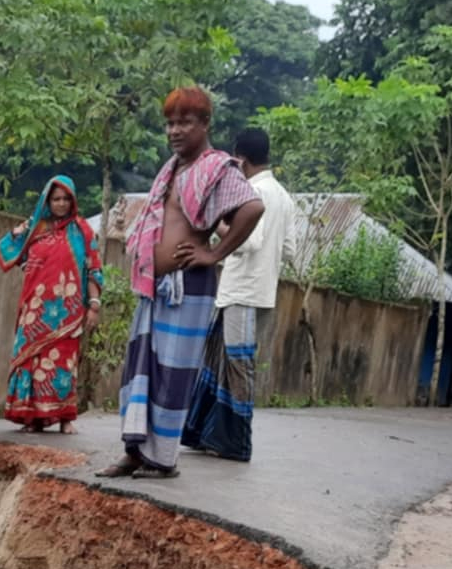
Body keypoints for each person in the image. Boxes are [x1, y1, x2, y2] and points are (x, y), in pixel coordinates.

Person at [98, 86, 264, 478]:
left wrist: (214, 253)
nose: (175, 131)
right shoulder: (171, 170)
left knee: (173, 373)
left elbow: (253, 208)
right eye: (170, 123)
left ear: (205, 124)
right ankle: (134, 451)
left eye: (185, 122)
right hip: (154, 287)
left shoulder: (217, 167)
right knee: (141, 368)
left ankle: (163, 458)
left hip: (187, 286)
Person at [185, 127, 300, 462]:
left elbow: (248, 242)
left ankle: (236, 442)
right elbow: (290, 250)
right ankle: (211, 435)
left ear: (241, 158)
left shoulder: (249, 193)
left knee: (237, 366)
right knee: (225, 362)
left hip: (241, 293)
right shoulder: (284, 196)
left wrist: (220, 225)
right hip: (263, 293)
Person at [0, 175, 104, 434]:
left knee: (63, 363)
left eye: (66, 199)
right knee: (30, 361)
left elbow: (94, 269)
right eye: (56, 199)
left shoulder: (82, 230)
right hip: (36, 309)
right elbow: (6, 249)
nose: (62, 204)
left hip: (68, 311)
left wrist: (94, 305)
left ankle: (65, 418)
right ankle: (32, 417)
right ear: (47, 200)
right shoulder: (35, 227)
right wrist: (28, 264)